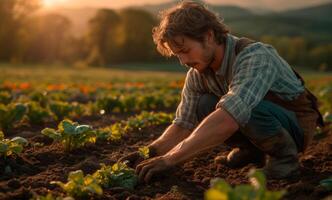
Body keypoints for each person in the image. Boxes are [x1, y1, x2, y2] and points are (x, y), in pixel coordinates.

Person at [120, 1, 324, 183]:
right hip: (260, 120)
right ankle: (251, 152)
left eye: (185, 50)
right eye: (177, 55)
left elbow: (230, 116)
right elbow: (183, 124)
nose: (183, 61)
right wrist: (147, 153)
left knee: (240, 107)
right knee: (205, 104)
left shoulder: (255, 57)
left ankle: (285, 160)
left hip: (294, 124)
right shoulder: (197, 72)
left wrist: (170, 159)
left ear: (208, 36)